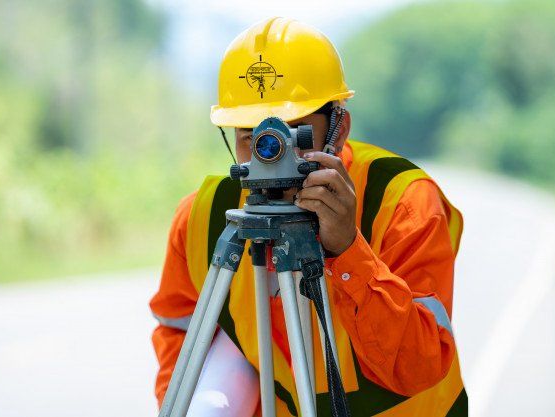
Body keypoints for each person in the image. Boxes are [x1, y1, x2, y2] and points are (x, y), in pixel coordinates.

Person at [150, 17, 468, 416]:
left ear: (339, 128)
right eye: (252, 137)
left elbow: (418, 368)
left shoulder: (403, 203)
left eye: (293, 134)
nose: (271, 153)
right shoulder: (204, 219)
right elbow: (181, 343)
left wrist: (349, 251)